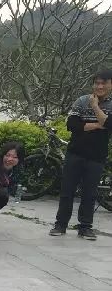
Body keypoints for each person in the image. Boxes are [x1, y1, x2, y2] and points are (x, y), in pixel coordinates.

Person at [50, 69, 112, 240]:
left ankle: (85, 227)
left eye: (103, 83)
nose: (99, 86)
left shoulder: (102, 104)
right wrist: (99, 124)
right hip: (75, 153)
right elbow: (72, 125)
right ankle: (60, 224)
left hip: (97, 156)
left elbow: (110, 125)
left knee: (90, 193)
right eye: (96, 83)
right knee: (67, 190)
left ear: (110, 85)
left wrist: (94, 107)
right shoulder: (81, 100)